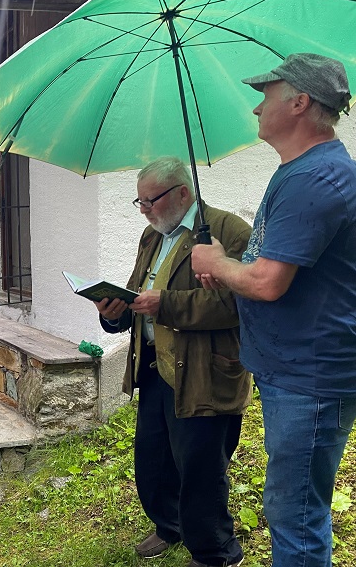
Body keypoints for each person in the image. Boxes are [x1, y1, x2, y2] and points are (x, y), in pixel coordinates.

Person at [191, 53, 356, 567]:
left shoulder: (317, 179)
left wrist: (219, 263)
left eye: (266, 95)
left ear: (300, 102)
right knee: (294, 505)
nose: (256, 108)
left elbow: (265, 283)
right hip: (292, 370)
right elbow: (271, 261)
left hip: (310, 376)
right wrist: (230, 263)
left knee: (297, 515)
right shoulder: (301, 170)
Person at [94, 158, 251, 567]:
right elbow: (135, 294)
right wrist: (115, 312)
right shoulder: (152, 236)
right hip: (155, 368)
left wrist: (163, 305)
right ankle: (170, 526)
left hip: (203, 372)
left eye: (151, 200)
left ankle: (216, 551)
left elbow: (235, 304)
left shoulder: (228, 232)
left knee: (200, 468)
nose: (144, 209)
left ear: (183, 192)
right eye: (139, 201)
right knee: (154, 459)